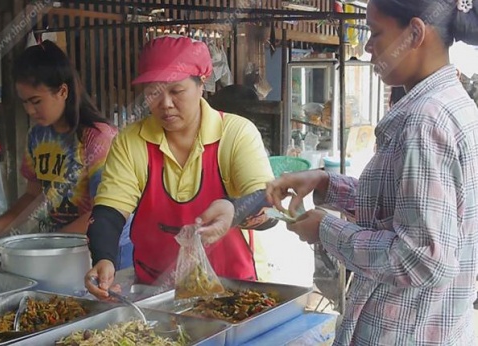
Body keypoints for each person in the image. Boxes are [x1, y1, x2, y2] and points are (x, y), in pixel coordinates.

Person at [199, 0, 478, 344]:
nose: (367, 46)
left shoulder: (425, 121)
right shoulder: (455, 106)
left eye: (375, 33)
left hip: (406, 332)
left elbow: (422, 259)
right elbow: (402, 206)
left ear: (416, 33)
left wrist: (327, 231)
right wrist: (324, 182)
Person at [84, 36, 277, 299]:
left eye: (176, 91)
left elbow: (262, 195)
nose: (165, 104)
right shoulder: (131, 141)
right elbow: (110, 209)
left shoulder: (235, 133)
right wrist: (104, 257)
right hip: (155, 292)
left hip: (230, 290)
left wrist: (234, 210)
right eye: (154, 92)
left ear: (201, 86)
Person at [0, 41, 119, 254]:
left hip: (101, 251)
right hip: (62, 248)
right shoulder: (37, 136)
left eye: (36, 101)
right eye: (25, 102)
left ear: (63, 91)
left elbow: (104, 211)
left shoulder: (98, 138)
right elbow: (32, 195)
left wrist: (51, 245)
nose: (30, 110)